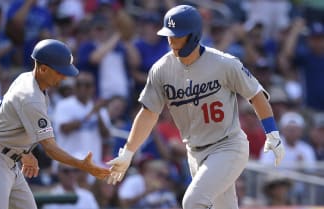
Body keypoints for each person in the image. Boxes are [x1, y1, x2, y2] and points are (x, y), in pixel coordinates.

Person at [106, 5, 285, 209]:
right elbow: (148, 113)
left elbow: (256, 95)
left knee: (192, 202)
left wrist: (272, 133)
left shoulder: (224, 63)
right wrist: (128, 151)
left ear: (192, 35)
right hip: (194, 151)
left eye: (177, 36)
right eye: (169, 35)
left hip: (227, 145)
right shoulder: (162, 69)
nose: (171, 40)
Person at [0, 39, 110, 209]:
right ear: (43, 69)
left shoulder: (27, 78)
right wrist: (81, 165)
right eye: (60, 72)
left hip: (9, 158)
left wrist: (24, 153)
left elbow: (13, 122)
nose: (64, 77)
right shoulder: (31, 98)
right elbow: (50, 148)